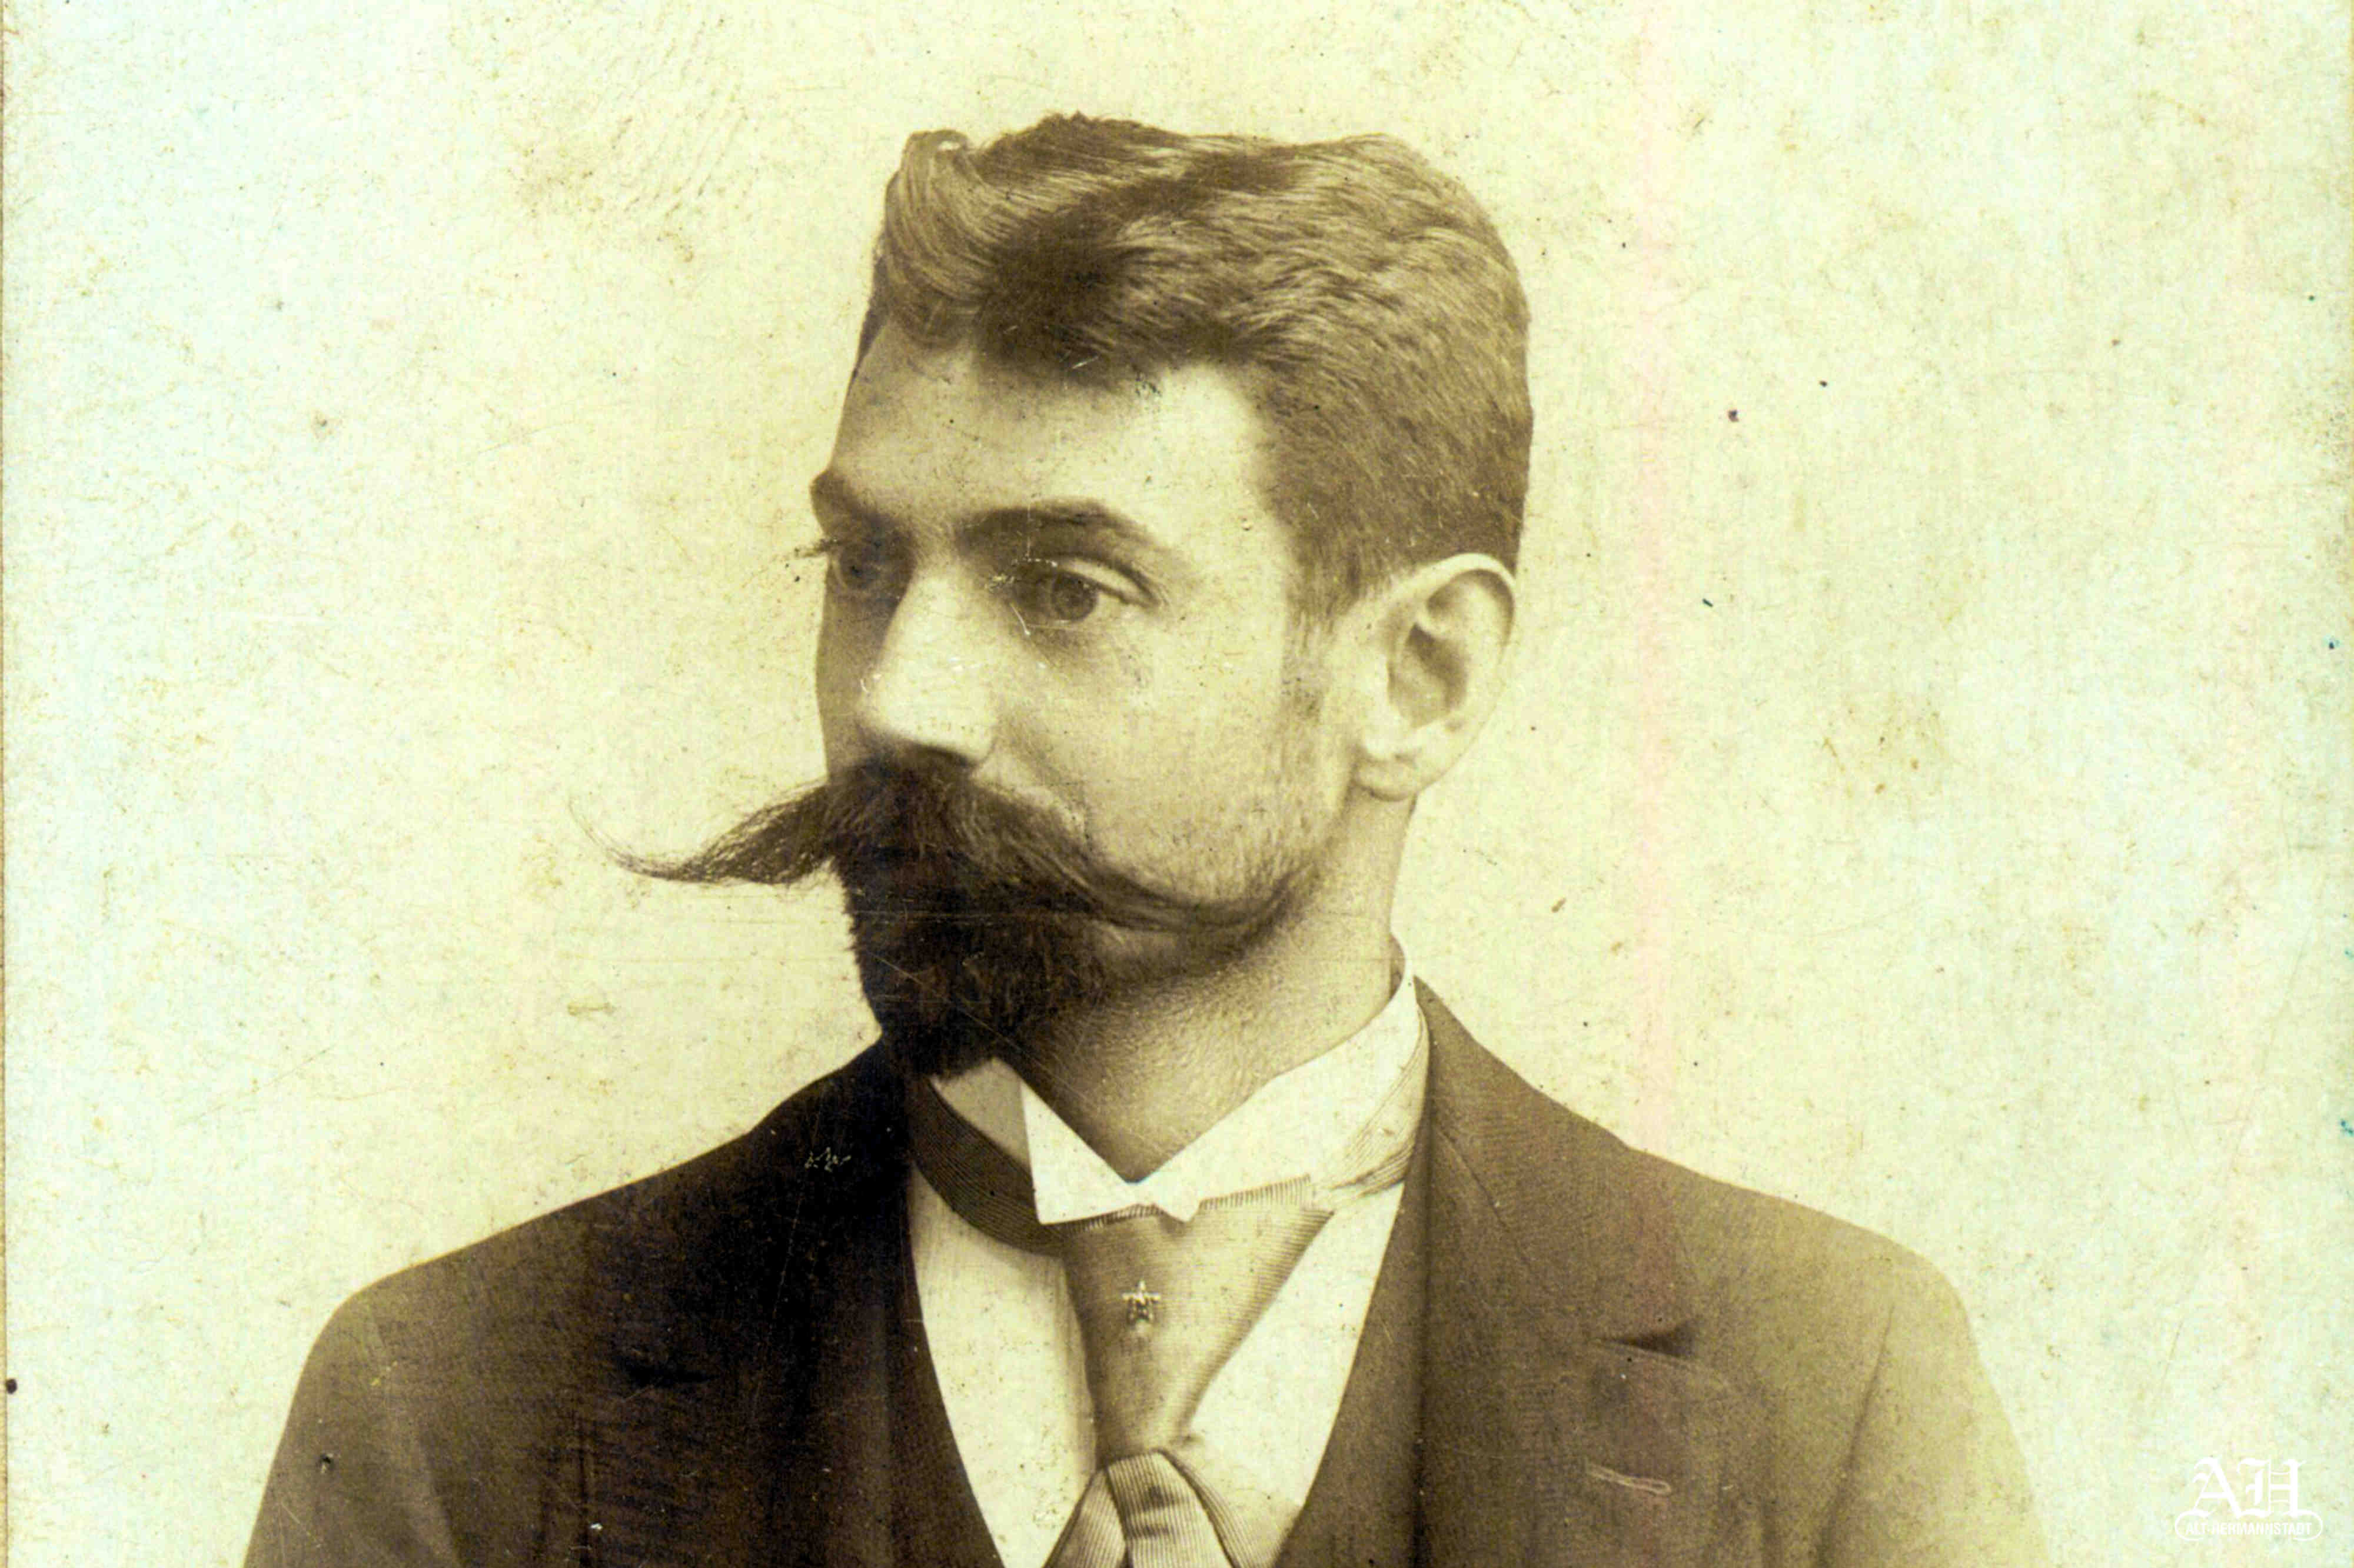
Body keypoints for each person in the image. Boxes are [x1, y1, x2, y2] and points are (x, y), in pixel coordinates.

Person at [245, 115, 2046, 1568]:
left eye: (1064, 586)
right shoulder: (455, 1415)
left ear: (1418, 675)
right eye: (864, 566)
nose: (899, 698)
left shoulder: (1831, 1395)